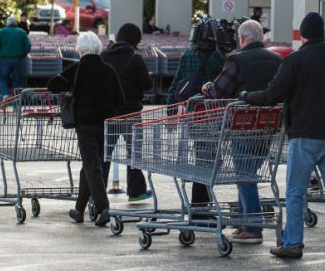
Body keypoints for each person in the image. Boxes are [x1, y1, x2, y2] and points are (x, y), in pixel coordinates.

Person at [243, 12, 325, 261]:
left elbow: (273, 94)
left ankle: (292, 243)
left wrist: (247, 96)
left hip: (306, 132)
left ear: (302, 35)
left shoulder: (295, 60)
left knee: (296, 191)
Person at [201, 19, 281, 244]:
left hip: (243, 125)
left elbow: (219, 93)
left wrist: (207, 89)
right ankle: (243, 220)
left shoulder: (237, 59)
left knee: (245, 175)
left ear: (242, 38)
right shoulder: (276, 60)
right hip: (269, 125)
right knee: (247, 173)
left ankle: (253, 226)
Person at [48, 32, 125, 226]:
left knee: (92, 165)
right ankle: (79, 209)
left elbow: (52, 85)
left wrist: (69, 88)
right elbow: (120, 99)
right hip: (106, 124)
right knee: (91, 165)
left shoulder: (77, 68)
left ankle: (104, 207)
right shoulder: (109, 70)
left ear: (80, 49)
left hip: (85, 124)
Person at [166, 19, 225, 204]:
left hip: (193, 116)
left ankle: (200, 205)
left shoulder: (188, 55)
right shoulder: (219, 59)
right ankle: (200, 205)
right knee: (208, 162)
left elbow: (175, 86)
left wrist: (171, 114)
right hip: (213, 116)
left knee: (202, 158)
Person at [100, 23, 153, 202]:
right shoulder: (135, 59)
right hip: (130, 113)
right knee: (134, 153)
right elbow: (146, 84)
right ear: (136, 40)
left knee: (104, 154)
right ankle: (136, 192)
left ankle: (97, 192)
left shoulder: (104, 56)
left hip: (108, 112)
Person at [0, 16, 32, 98]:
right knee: (17, 79)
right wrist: (24, 54)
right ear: (15, 23)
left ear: (7, 23)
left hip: (4, 59)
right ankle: (16, 97)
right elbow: (28, 45)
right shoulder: (21, 32)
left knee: (3, 78)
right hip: (19, 59)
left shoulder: (2, 32)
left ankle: (4, 95)